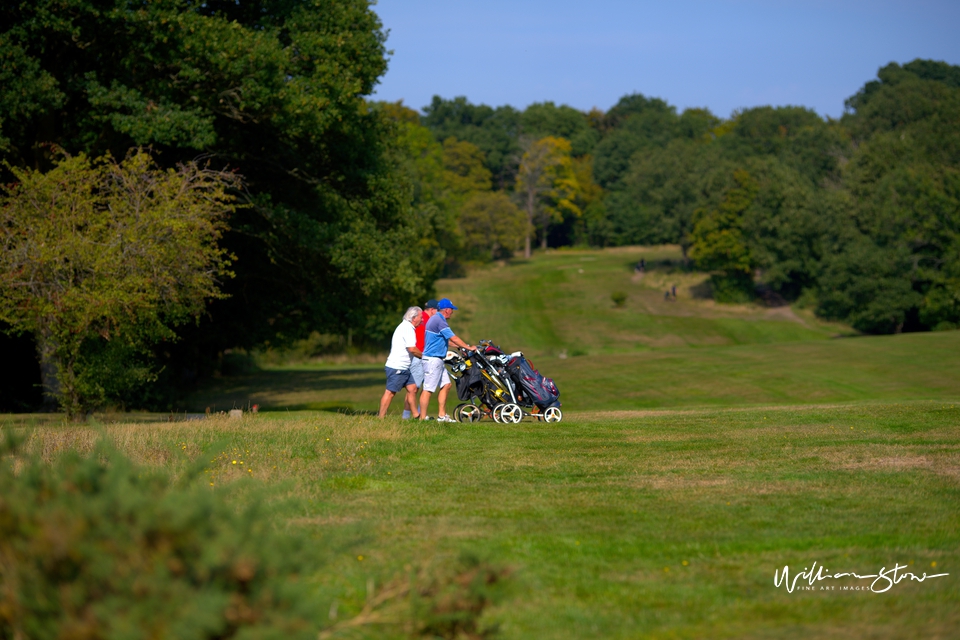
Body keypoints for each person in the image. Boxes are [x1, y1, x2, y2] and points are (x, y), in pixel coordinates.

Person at [419, 298, 475, 422]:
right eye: (452, 310)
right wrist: (468, 347)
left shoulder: (436, 319)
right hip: (433, 359)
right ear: (447, 310)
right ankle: (422, 418)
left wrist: (461, 346)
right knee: (428, 389)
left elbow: (446, 341)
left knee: (446, 384)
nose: (452, 312)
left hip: (437, 360)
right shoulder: (439, 320)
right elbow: (453, 338)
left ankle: (442, 416)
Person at [378, 306, 423, 419]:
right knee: (390, 392)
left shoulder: (406, 326)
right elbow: (412, 348)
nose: (422, 320)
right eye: (420, 317)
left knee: (412, 388)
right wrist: (425, 357)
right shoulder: (407, 328)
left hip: (405, 367)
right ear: (413, 318)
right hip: (397, 366)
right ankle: (380, 418)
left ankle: (416, 416)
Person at [402, 299, 438, 419]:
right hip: (419, 356)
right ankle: (407, 416)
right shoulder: (424, 320)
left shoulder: (422, 318)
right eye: (437, 310)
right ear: (432, 310)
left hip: (421, 356)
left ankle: (418, 415)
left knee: (419, 388)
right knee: (414, 389)